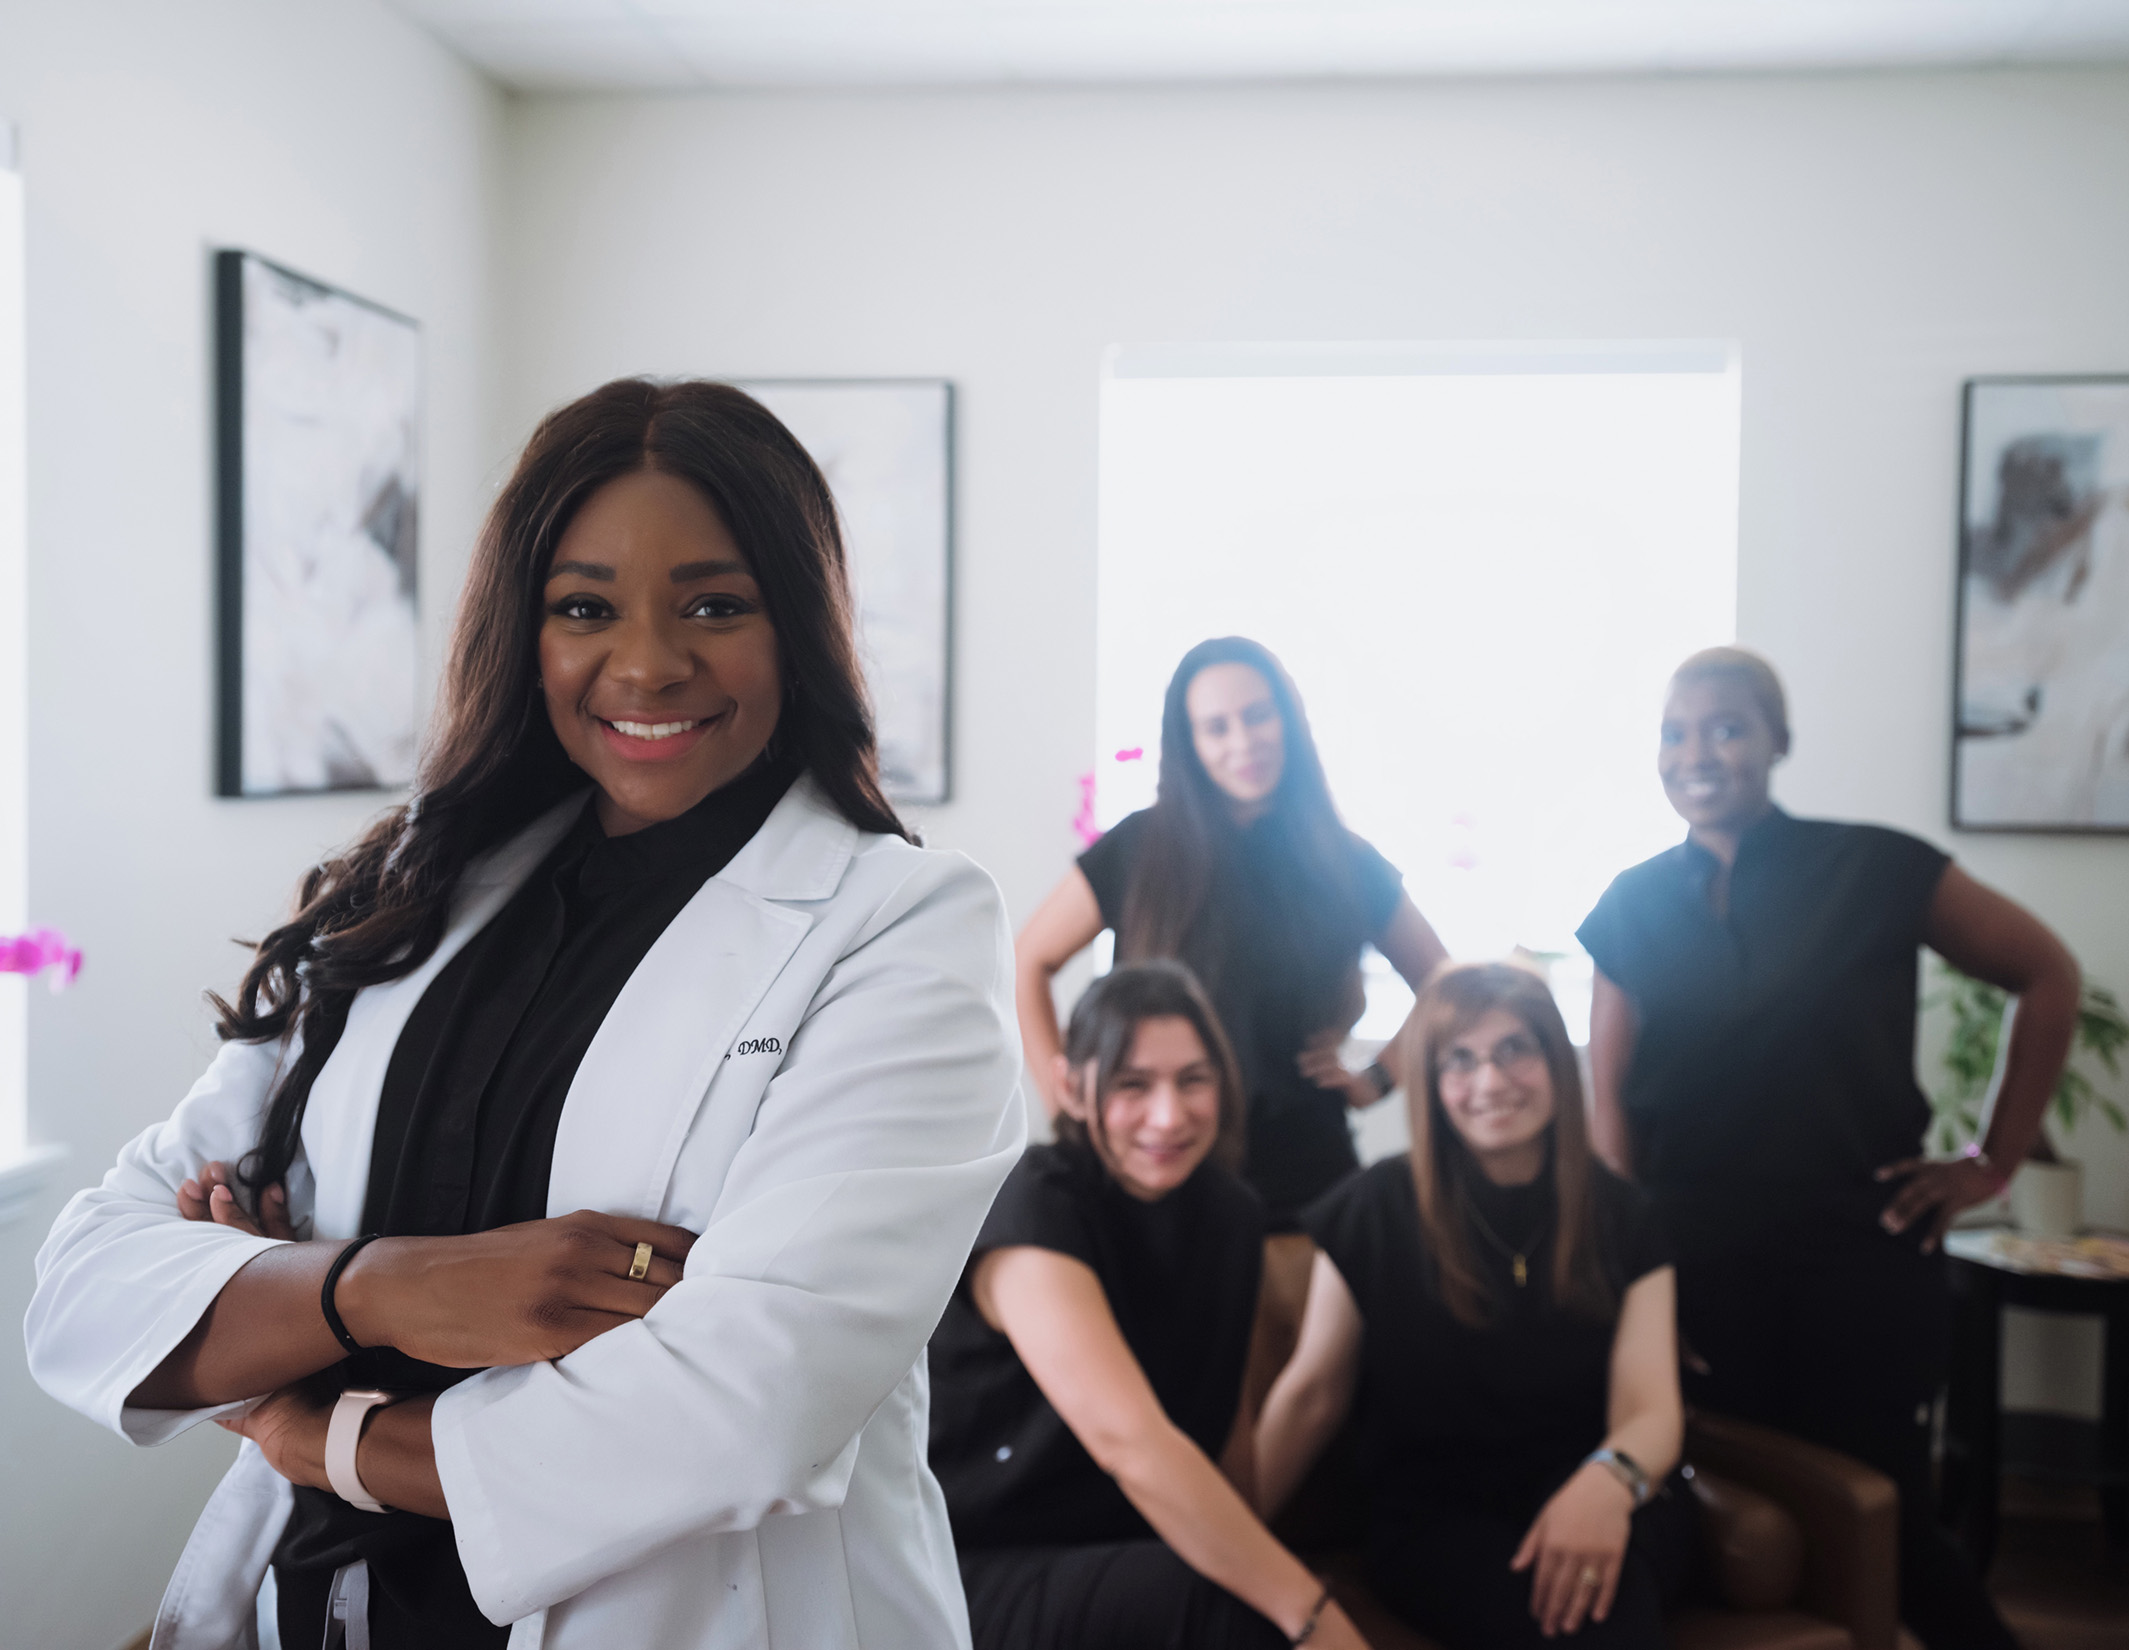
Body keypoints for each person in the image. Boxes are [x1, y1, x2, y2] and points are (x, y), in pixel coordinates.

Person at [25, 379, 1026, 1650]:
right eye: (585, 608)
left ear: (798, 627)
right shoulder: (406, 899)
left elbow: (744, 1408)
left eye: (716, 604)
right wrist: (378, 1293)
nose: (650, 662)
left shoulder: (902, 924)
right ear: (525, 632)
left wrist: (306, 1413)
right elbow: (87, 1284)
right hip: (322, 1607)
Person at [1577, 645, 2081, 1650]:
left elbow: (2046, 974)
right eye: (1674, 733)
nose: (1696, 752)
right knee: (1743, 1529)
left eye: (1725, 726)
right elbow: (1611, 1111)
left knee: (1879, 1519)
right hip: (1700, 1273)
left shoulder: (1877, 869)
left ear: (1777, 741)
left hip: (1855, 1262)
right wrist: (1637, 1281)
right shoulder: (1629, 905)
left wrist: (1993, 1160)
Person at [1015, 637, 1447, 1389]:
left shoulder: (1343, 858)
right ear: (1189, 743)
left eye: (1258, 716)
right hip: (1158, 1167)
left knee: (1305, 1406)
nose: (1242, 740)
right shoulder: (1142, 847)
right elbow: (1029, 960)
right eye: (1216, 727)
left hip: (1300, 1178)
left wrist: (1376, 1080)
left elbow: (1442, 979)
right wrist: (1067, 1100)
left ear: (1289, 720)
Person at [930, 961, 1370, 1650]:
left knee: (1246, 1596)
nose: (1169, 1116)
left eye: (1193, 1080)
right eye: (1133, 1085)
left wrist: (1258, 1565)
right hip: (976, 1563)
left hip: (1128, 1552)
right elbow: (1131, 1444)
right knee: (1243, 1609)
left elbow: (1230, 1436)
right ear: (1073, 1089)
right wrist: (1311, 1614)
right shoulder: (1035, 1205)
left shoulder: (1231, 1213)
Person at [1257, 963, 1688, 1648]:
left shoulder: (1624, 1215)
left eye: (1515, 1049)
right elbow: (1313, 1393)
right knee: (1572, 1621)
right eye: (1459, 1060)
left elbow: (1651, 1409)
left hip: (1602, 1492)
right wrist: (1226, 1538)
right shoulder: (1372, 1209)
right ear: (1430, 1081)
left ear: (1554, 1059)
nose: (1490, 1082)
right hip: (1439, 1523)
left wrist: (1608, 1484)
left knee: (1610, 1602)